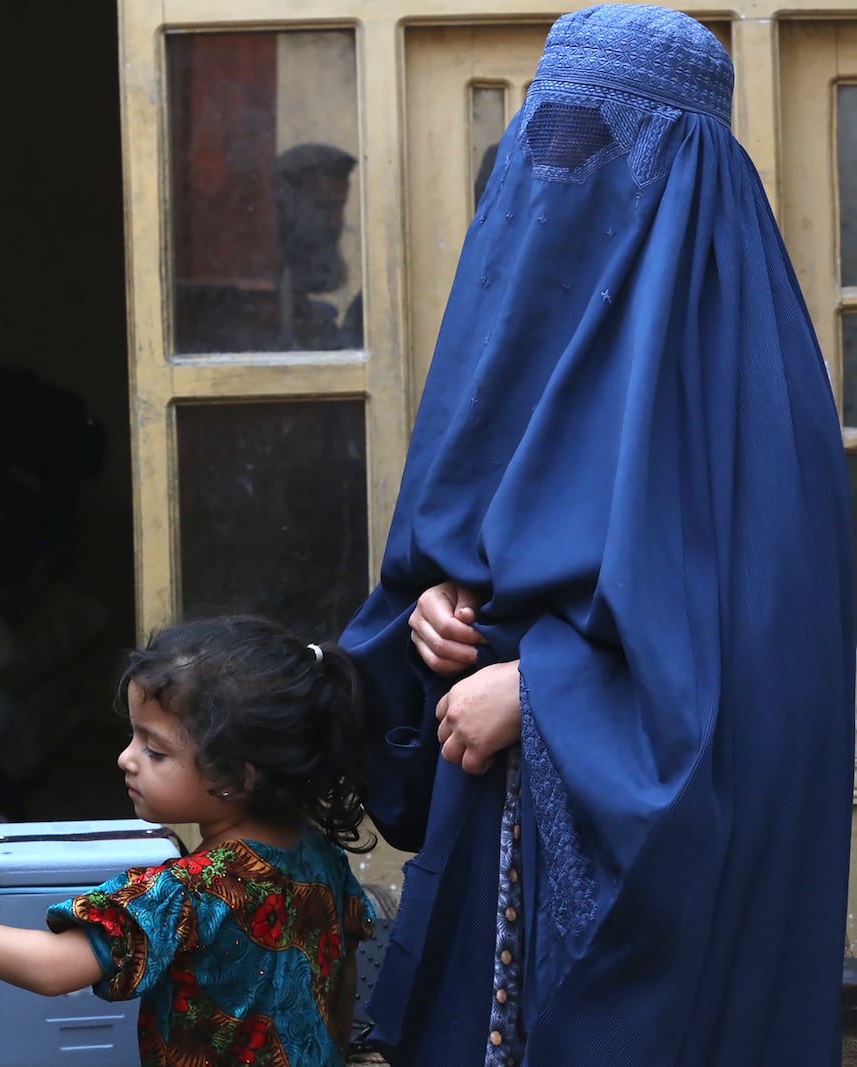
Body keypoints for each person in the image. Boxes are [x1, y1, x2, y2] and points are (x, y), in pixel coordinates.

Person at [340, 6, 854, 1065]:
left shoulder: (751, 392)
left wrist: (543, 691)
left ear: (681, 167)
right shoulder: (513, 321)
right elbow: (442, 554)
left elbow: (773, 679)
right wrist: (432, 610)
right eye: (544, 135)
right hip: (490, 843)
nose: (556, 169)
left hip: (656, 922)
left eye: (594, 144)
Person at [0, 615, 376, 1066]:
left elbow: (51, 968)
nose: (125, 758)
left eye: (154, 750)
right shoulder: (321, 857)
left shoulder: (188, 891)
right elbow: (343, 982)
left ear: (235, 778)